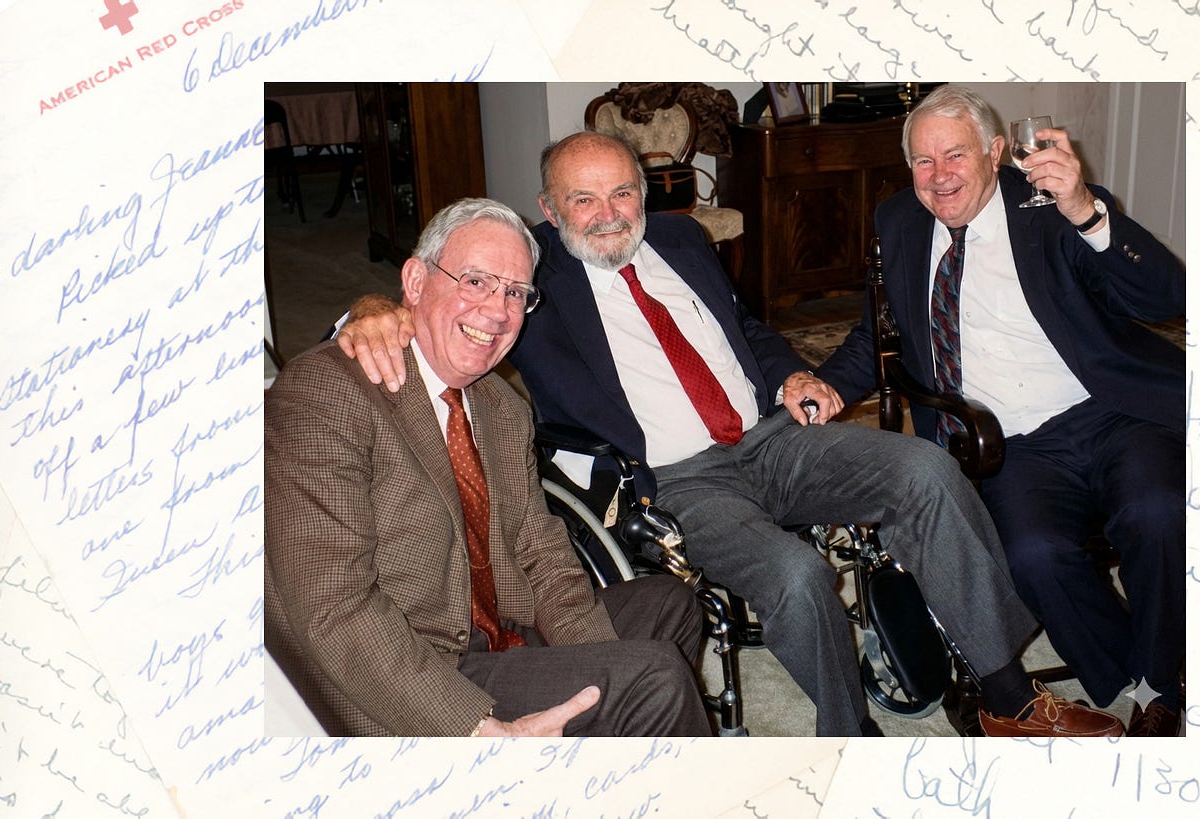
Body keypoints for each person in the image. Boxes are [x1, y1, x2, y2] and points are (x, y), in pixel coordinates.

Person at [338, 131, 1123, 738]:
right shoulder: (529, 276)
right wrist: (366, 313)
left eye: (622, 193)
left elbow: (745, 326)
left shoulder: (680, 239)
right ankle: (843, 735)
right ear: (549, 209)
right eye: (583, 200)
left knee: (923, 468)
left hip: (773, 436)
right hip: (679, 480)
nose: (608, 213)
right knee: (799, 575)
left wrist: (788, 375)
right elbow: (444, 290)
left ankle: (1008, 693)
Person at [815, 85, 1186, 736]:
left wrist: (1088, 212)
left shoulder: (1048, 205)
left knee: (1156, 509)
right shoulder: (898, 220)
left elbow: (1163, 296)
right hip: (1006, 441)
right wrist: (828, 387)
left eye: (954, 155)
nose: (939, 177)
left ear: (994, 152)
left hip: (1107, 410)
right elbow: (882, 331)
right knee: (1036, 554)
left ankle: (1162, 685)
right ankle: (1135, 676)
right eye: (922, 162)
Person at [265, 197, 710, 738]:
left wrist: (599, 667)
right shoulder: (326, 393)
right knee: (653, 678)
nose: (497, 311)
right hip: (412, 668)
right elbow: (334, 608)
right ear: (414, 281)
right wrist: (477, 728)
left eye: (516, 292)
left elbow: (540, 550)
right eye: (475, 281)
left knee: (670, 607)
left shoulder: (499, 406)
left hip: (495, 628)